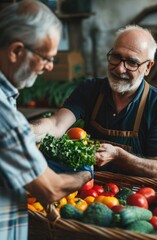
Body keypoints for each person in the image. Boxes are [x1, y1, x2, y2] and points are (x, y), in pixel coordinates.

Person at [31, 25, 157, 181]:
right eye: (116, 57)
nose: (120, 69)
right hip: (89, 187)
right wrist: (24, 132)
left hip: (136, 194)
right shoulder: (90, 90)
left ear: (148, 67)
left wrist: (119, 156)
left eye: (132, 62)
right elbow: (55, 125)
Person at [0, 1, 92, 240]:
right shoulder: (5, 115)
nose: (50, 67)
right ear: (16, 51)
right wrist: (85, 174)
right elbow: (51, 189)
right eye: (45, 57)